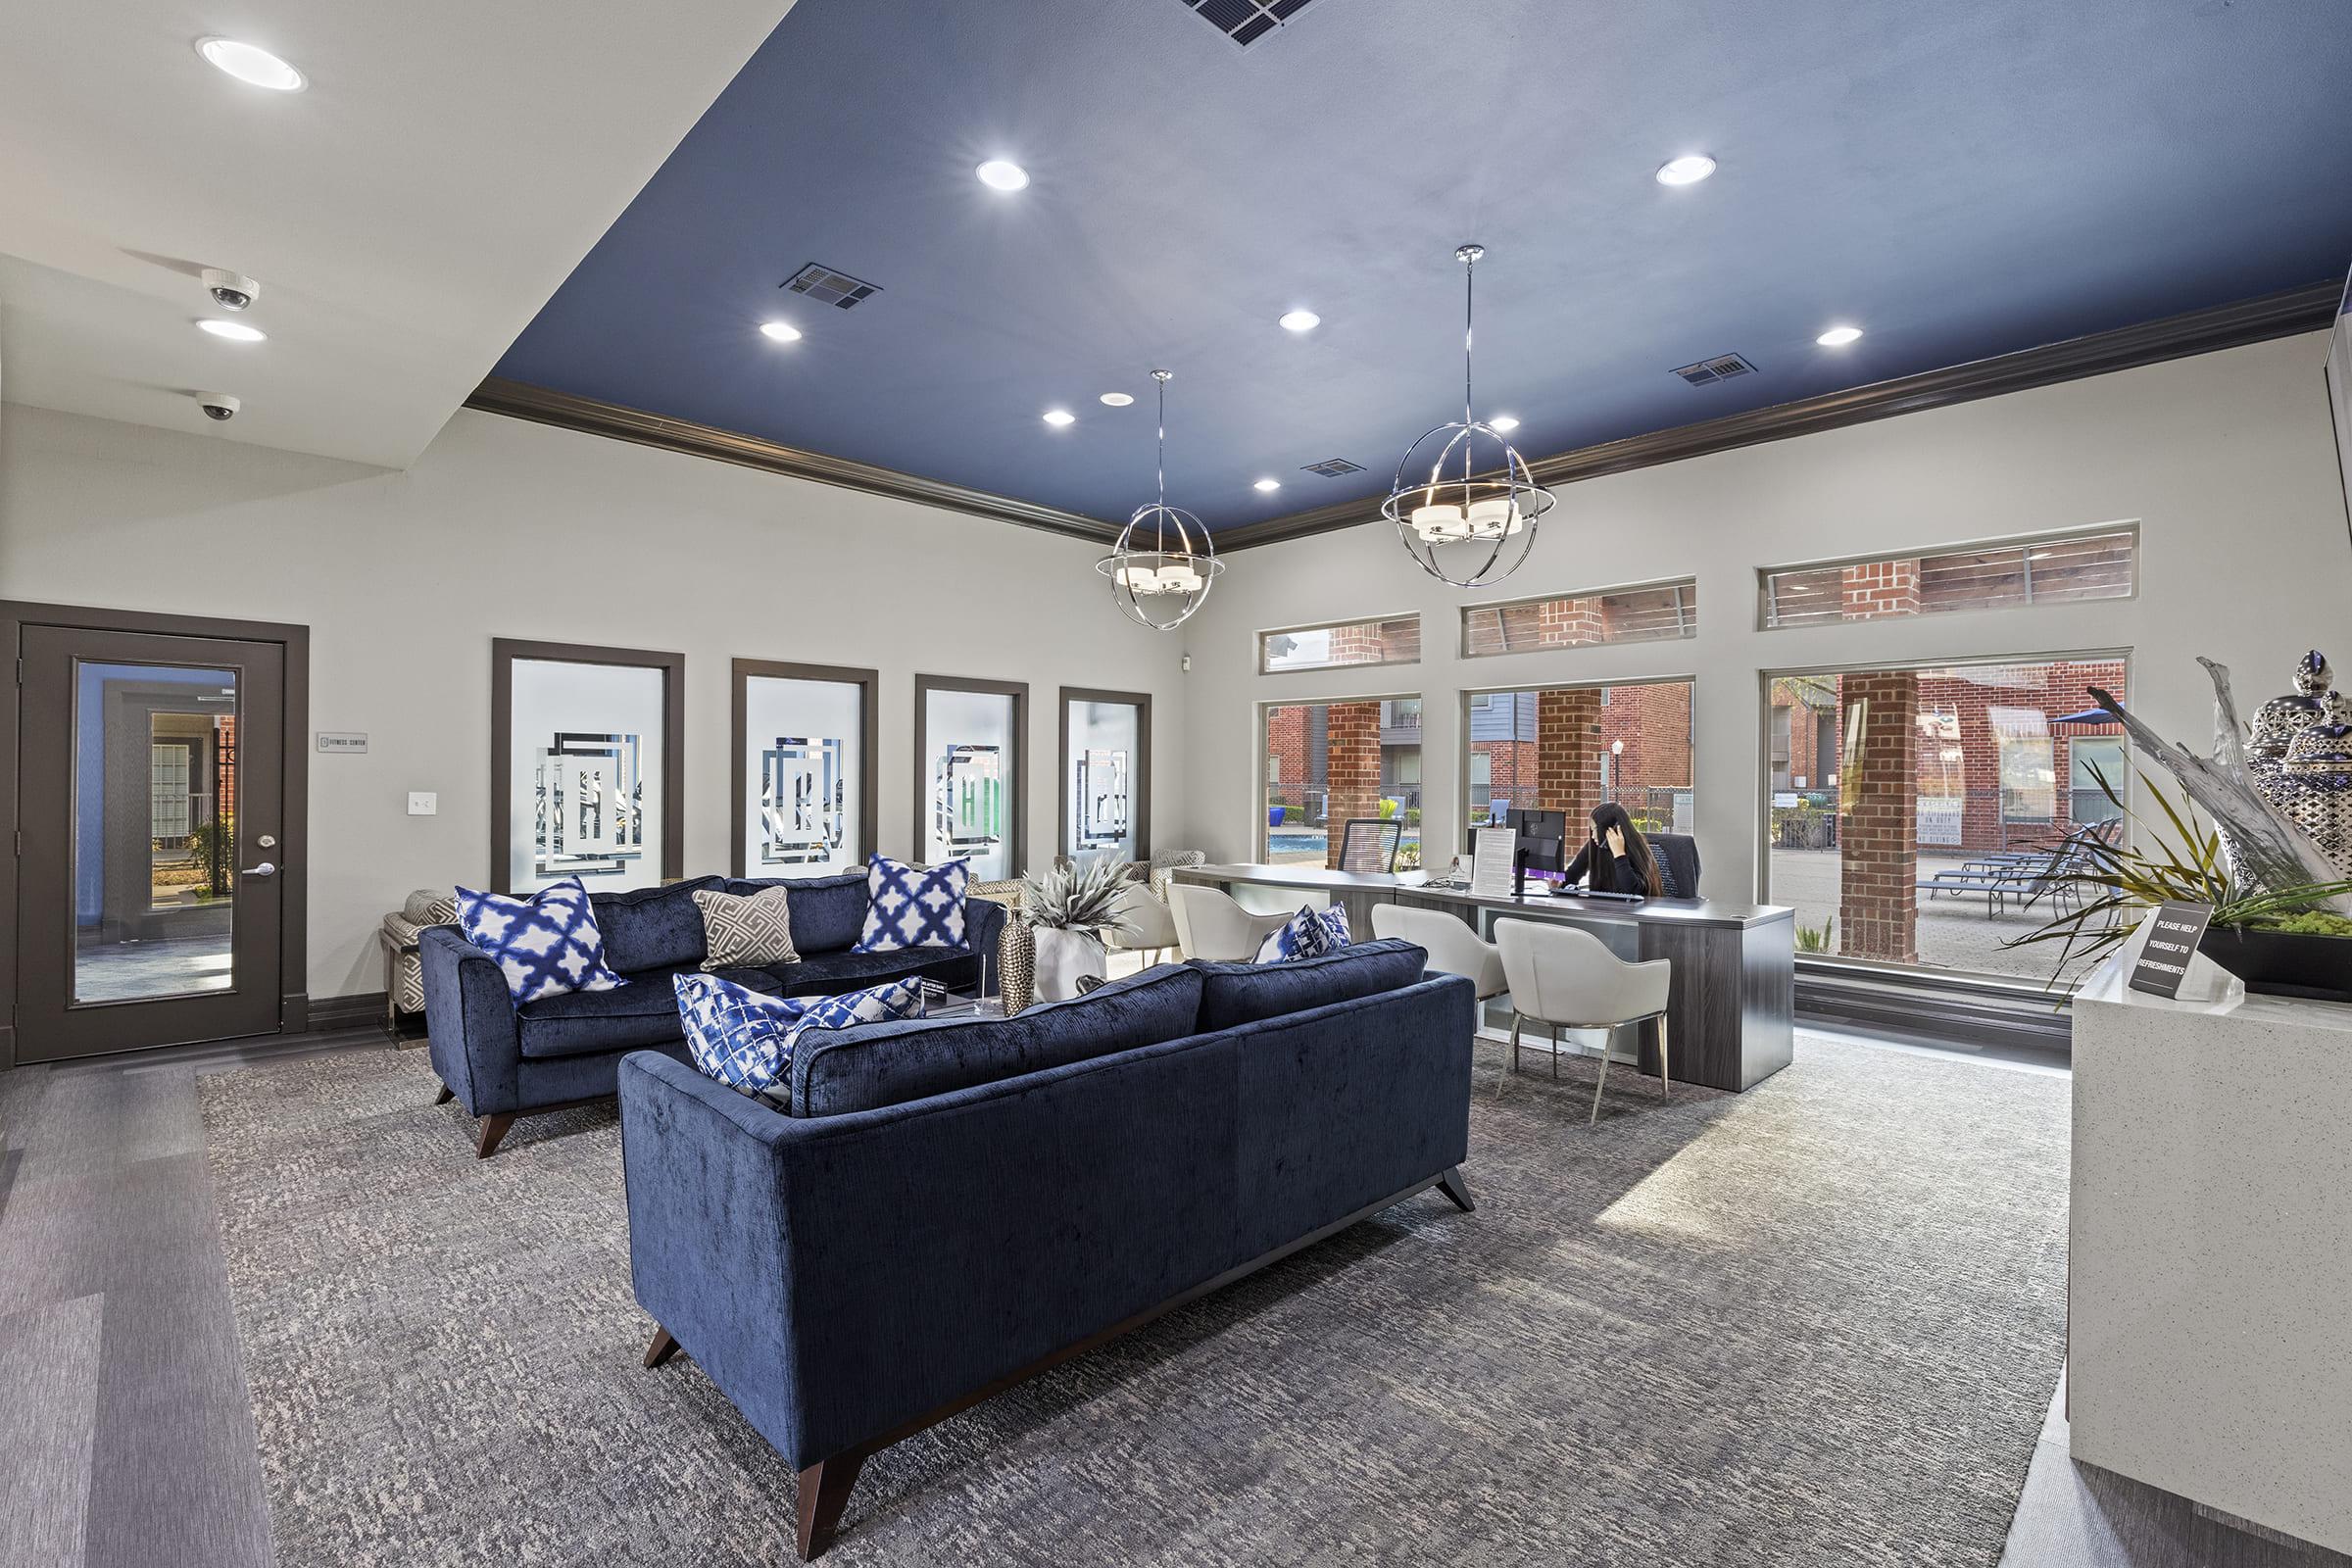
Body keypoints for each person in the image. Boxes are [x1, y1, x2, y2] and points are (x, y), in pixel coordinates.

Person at [1560, 802, 1666, 897]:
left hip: (1634, 914)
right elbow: (1572, 874)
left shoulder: (1636, 848)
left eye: (1596, 830)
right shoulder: (1596, 845)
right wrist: (1559, 882)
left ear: (1612, 829)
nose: (1593, 836)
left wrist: (1619, 855)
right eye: (1592, 830)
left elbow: (1634, 892)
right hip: (1602, 912)